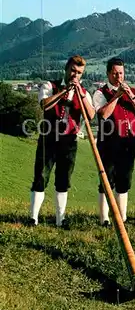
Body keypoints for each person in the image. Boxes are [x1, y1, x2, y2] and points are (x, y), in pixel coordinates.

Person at [29, 55, 95, 227]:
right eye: (73, 70)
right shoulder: (50, 86)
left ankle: (60, 219)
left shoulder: (84, 93)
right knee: (41, 176)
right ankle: (33, 218)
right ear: (66, 69)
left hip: (69, 140)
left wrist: (79, 93)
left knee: (63, 179)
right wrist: (64, 92)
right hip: (49, 138)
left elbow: (91, 115)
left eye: (79, 73)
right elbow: (45, 105)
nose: (75, 75)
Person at [93, 57, 135, 226]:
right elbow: (103, 114)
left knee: (125, 179)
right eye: (115, 73)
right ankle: (105, 219)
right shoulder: (100, 93)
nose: (119, 77)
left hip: (129, 141)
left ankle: (122, 218)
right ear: (109, 73)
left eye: (121, 73)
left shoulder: (133, 90)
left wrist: (131, 96)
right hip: (109, 142)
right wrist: (117, 96)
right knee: (106, 179)